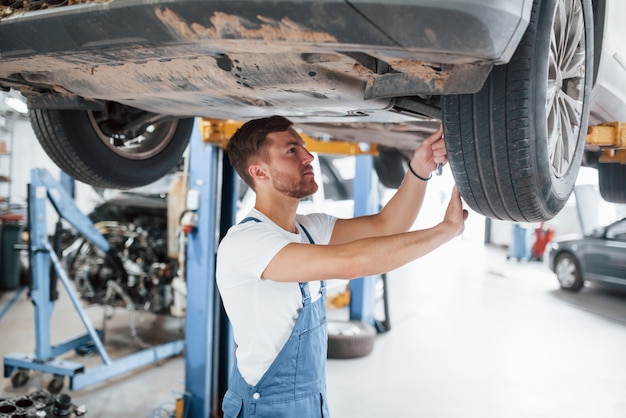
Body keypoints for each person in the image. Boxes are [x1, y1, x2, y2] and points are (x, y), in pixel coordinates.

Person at [216, 115, 468, 418]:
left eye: (304, 147)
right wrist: (445, 231)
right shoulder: (247, 242)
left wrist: (419, 168)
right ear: (259, 172)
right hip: (267, 407)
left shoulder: (311, 229)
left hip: (312, 401)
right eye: (292, 151)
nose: (309, 156)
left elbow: (387, 225)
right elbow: (352, 263)